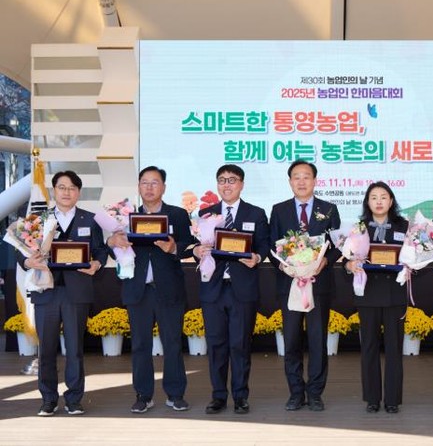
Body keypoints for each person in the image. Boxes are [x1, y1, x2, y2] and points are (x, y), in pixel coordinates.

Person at [106, 166, 195, 414]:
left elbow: (190, 245)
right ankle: (143, 395)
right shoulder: (126, 217)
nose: (149, 187)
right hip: (138, 289)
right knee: (140, 345)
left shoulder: (177, 214)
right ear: (138, 186)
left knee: (173, 343)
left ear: (163, 187)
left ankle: (175, 394)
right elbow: (111, 247)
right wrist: (112, 241)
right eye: (144, 182)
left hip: (169, 289)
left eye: (154, 182)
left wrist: (174, 247)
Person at [19, 171, 108, 416]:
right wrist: (27, 262)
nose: (66, 192)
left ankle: (74, 399)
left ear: (78, 192)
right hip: (45, 291)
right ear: (54, 190)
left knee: (75, 348)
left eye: (71, 188)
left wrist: (97, 263)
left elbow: (101, 250)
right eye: (61, 187)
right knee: (46, 349)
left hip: (77, 292)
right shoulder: (38, 219)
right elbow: (21, 252)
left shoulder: (91, 220)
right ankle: (48, 399)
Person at [193, 164, 270, 415]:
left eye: (232, 180)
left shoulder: (256, 213)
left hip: (242, 289)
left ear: (242, 184)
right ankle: (218, 396)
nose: (227, 185)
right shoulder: (205, 213)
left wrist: (257, 257)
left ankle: (240, 396)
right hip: (213, 288)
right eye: (222, 180)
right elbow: (194, 246)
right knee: (216, 345)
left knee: (240, 344)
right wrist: (196, 251)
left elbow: (264, 245)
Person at [269, 160, 341, 411]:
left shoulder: (328, 209)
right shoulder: (279, 210)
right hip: (289, 284)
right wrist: (284, 267)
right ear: (290, 181)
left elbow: (338, 245)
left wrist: (324, 262)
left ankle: (316, 393)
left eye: (306, 176)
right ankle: (296, 392)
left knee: (317, 340)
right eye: (296, 177)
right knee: (291, 341)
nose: (301, 181)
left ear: (315, 181)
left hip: (318, 285)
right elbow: (271, 245)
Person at [344, 181, 409, 414]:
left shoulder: (405, 226)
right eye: (374, 197)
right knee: (369, 348)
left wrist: (411, 264)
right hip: (368, 295)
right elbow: (347, 260)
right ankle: (372, 398)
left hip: (395, 296)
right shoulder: (358, 228)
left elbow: (415, 255)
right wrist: (350, 265)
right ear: (367, 202)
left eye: (383, 197)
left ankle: (392, 399)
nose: (379, 201)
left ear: (391, 201)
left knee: (394, 349)